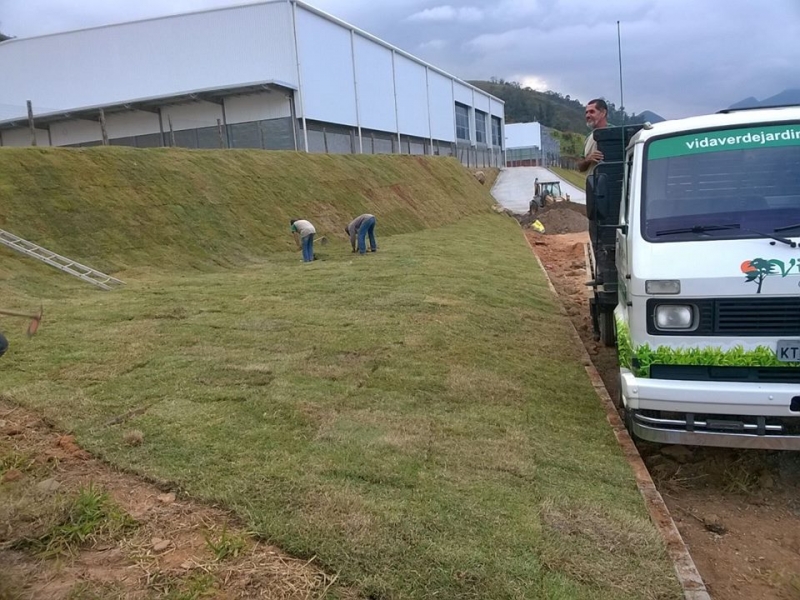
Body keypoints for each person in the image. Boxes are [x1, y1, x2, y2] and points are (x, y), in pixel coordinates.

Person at [577, 98, 609, 175]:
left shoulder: (616, 133)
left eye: (592, 112)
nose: (587, 115)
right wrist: (587, 160)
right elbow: (580, 167)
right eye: (586, 112)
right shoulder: (588, 137)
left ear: (603, 113)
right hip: (592, 186)